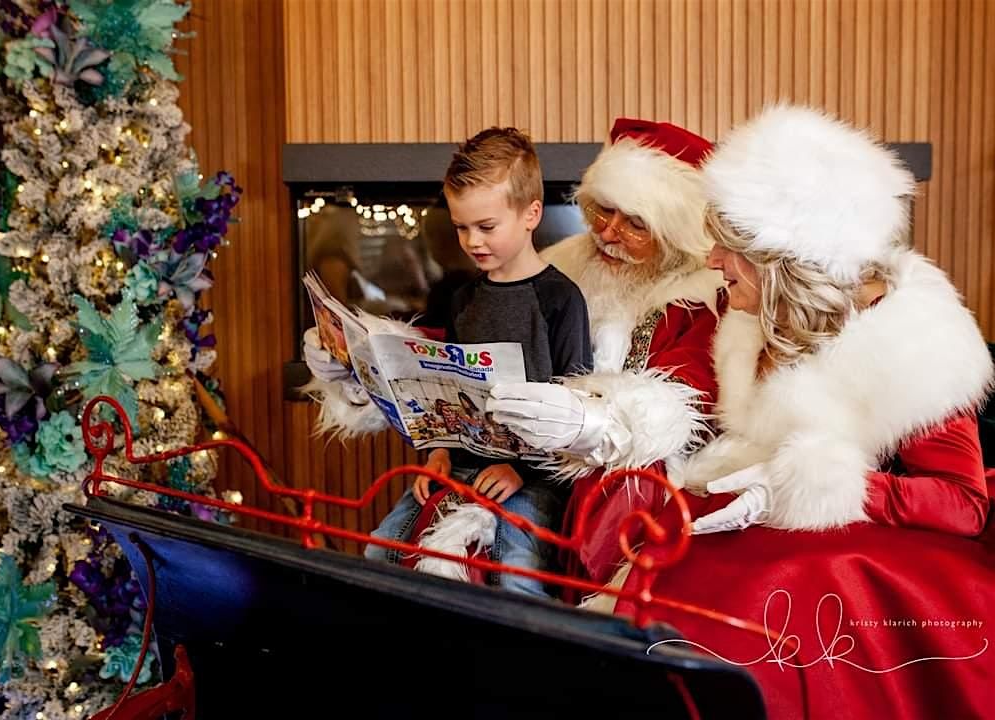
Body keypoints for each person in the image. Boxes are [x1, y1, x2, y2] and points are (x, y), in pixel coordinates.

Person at [604, 104, 994, 720]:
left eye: (727, 247)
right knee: (681, 553)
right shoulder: (748, 319)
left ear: (783, 259)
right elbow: (680, 394)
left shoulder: (920, 345)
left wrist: (818, 481)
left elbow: (964, 504)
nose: (709, 261)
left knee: (761, 591)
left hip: (867, 564)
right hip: (774, 537)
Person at [306, 127, 593, 597]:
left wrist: (522, 472)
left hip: (533, 478)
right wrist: (437, 452)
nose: (472, 241)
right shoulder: (462, 300)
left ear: (531, 215)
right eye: (461, 227)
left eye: (486, 227)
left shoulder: (561, 301)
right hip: (460, 465)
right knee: (382, 551)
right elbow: (445, 398)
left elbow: (577, 412)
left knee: (514, 571)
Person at [484, 118, 725, 588]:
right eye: (603, 210)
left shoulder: (704, 301)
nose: (608, 233)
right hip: (529, 458)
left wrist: (587, 423)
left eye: (635, 223)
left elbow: (686, 399)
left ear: (676, 237)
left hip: (632, 472)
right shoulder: (560, 265)